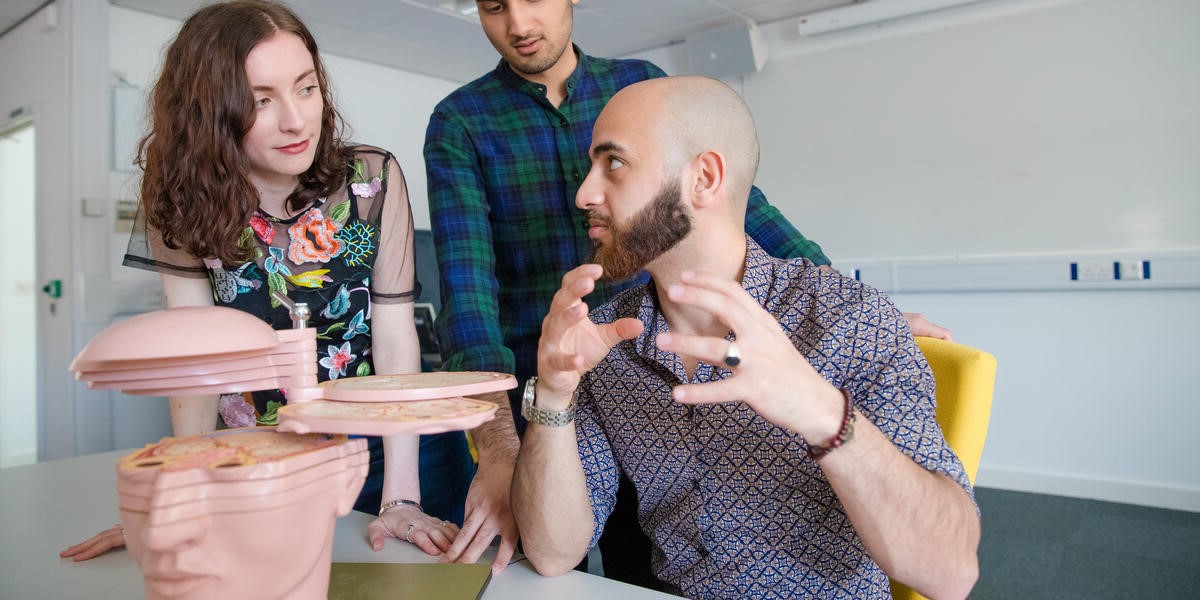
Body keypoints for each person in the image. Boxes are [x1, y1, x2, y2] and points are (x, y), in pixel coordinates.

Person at [426, 0, 951, 586]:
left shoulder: (641, 89)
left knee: (654, 548)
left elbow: (742, 207)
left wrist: (834, 305)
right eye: (495, 6)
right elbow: (467, 294)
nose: (519, 24)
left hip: (683, 344)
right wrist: (501, 446)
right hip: (566, 381)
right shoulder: (462, 122)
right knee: (592, 571)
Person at [58, 0, 512, 573]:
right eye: (260, 100)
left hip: (395, 449)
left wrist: (402, 497)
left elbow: (395, 338)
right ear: (211, 112)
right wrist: (180, 492)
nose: (297, 120)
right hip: (262, 455)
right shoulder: (178, 200)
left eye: (306, 88)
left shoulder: (369, 181)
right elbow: (196, 359)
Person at [510, 76, 981, 599]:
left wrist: (821, 411)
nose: (583, 193)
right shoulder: (608, 343)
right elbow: (554, 553)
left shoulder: (851, 319)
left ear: (704, 178)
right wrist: (552, 393)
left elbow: (951, 573)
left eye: (614, 163)